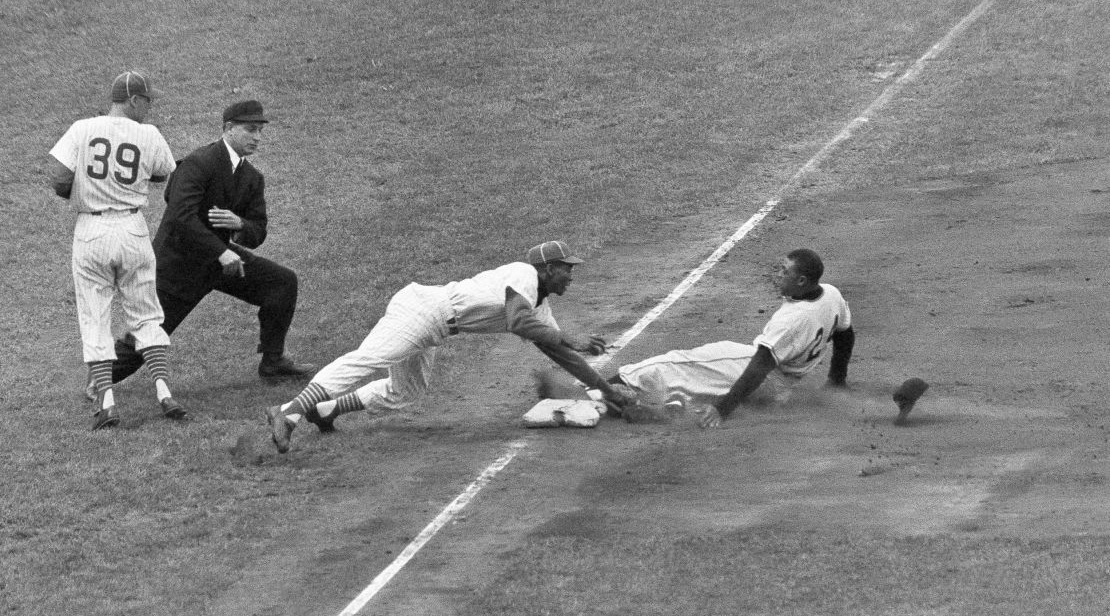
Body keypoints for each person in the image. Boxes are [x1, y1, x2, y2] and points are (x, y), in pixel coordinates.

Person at [264, 241, 636, 453]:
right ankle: (291, 413)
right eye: (566, 268)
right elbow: (519, 322)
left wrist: (605, 391)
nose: (571, 275)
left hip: (435, 325)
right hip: (426, 311)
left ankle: (326, 410)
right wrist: (570, 338)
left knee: (406, 389)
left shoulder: (540, 306)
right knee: (370, 358)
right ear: (547, 268)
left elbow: (563, 355)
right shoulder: (522, 274)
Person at [103, 100, 315, 391]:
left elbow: (258, 229)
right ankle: (99, 379)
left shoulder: (252, 177)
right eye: (250, 130)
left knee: (281, 283)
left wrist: (239, 224)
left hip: (220, 263)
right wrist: (222, 251)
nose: (257, 137)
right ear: (228, 129)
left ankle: (273, 361)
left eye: (260, 131)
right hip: (178, 267)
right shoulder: (199, 163)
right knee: (148, 339)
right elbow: (179, 215)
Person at [50, 71, 188, 430]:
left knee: (94, 316)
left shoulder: (81, 128)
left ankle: (108, 403)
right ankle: (163, 392)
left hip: (92, 230)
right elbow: (162, 173)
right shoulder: (149, 134)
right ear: (132, 100)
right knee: (145, 312)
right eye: (147, 101)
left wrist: (88, 190)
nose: (149, 107)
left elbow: (60, 179)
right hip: (132, 228)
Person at [610, 248, 854, 429]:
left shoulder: (792, 321)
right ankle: (676, 407)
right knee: (706, 378)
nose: (777, 274)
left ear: (801, 281)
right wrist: (837, 379)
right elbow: (846, 335)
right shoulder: (831, 295)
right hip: (782, 389)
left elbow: (758, 366)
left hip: (765, 377)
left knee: (683, 362)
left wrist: (721, 411)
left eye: (784, 271)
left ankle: (613, 384)